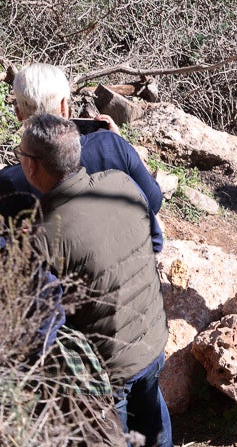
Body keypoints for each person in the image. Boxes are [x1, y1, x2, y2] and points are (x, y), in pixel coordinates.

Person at [23, 113, 172, 447]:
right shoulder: (119, 184)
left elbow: (42, 325)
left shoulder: (42, 235)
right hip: (152, 341)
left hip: (107, 373)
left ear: (31, 167)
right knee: (154, 425)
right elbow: (156, 242)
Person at [1, 63, 164, 251]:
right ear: (65, 107)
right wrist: (121, 143)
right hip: (133, 262)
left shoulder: (7, 182)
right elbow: (154, 201)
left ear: (18, 114)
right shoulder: (110, 145)